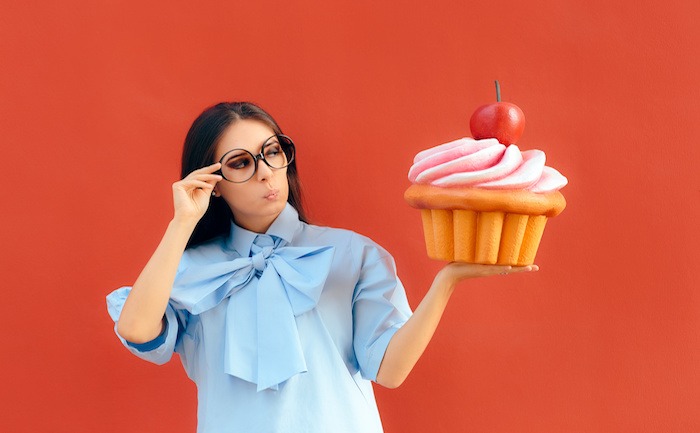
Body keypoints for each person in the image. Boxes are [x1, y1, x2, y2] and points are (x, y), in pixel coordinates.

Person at [106, 102, 537, 433]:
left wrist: (447, 281)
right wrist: (182, 223)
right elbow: (138, 330)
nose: (266, 172)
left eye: (272, 152)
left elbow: (390, 370)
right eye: (241, 163)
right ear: (212, 183)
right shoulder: (190, 270)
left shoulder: (352, 254)